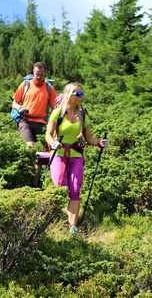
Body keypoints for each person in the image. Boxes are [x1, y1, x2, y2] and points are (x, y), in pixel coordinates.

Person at [45, 82, 107, 235]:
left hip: (77, 156)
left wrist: (99, 143)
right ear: (69, 95)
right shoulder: (57, 113)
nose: (82, 97)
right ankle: (53, 220)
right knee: (62, 189)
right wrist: (54, 143)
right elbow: (48, 134)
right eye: (78, 94)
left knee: (75, 190)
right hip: (58, 156)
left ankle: (72, 227)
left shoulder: (82, 114)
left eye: (82, 94)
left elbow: (89, 138)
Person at [12, 61, 56, 186]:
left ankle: (34, 185)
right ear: (33, 72)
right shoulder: (25, 84)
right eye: (36, 74)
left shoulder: (49, 88)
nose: (38, 77)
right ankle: (23, 180)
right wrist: (20, 108)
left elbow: (54, 109)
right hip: (25, 121)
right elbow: (14, 103)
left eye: (41, 75)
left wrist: (53, 125)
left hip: (41, 123)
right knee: (30, 147)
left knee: (39, 156)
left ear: (45, 73)